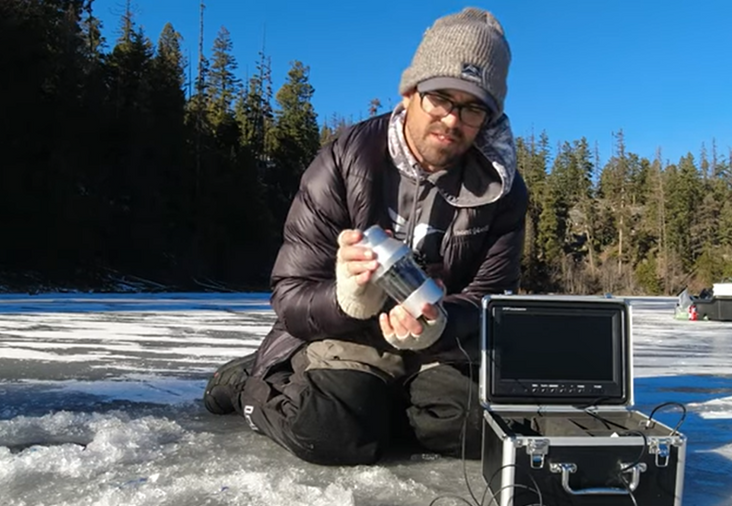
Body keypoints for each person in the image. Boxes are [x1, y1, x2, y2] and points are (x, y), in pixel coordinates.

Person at [204, 7, 529, 466]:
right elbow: (291, 295)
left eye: (473, 106)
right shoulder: (343, 161)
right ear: (412, 91)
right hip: (342, 334)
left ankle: (378, 409)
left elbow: (489, 299)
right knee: (330, 433)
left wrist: (436, 323)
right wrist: (348, 300)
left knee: (472, 428)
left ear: (489, 118)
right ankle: (245, 383)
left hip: (436, 345)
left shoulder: (503, 190)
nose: (453, 120)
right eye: (441, 98)